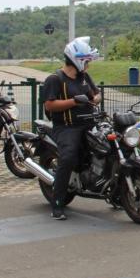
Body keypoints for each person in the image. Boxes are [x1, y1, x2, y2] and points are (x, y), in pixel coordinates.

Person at [42, 37, 101, 220]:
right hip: (67, 127)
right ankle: (58, 203)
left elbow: (96, 94)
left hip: (89, 123)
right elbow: (49, 105)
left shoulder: (84, 77)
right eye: (87, 61)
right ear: (77, 60)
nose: (89, 64)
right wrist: (74, 101)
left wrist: (95, 98)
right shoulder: (55, 79)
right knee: (67, 158)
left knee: (111, 145)